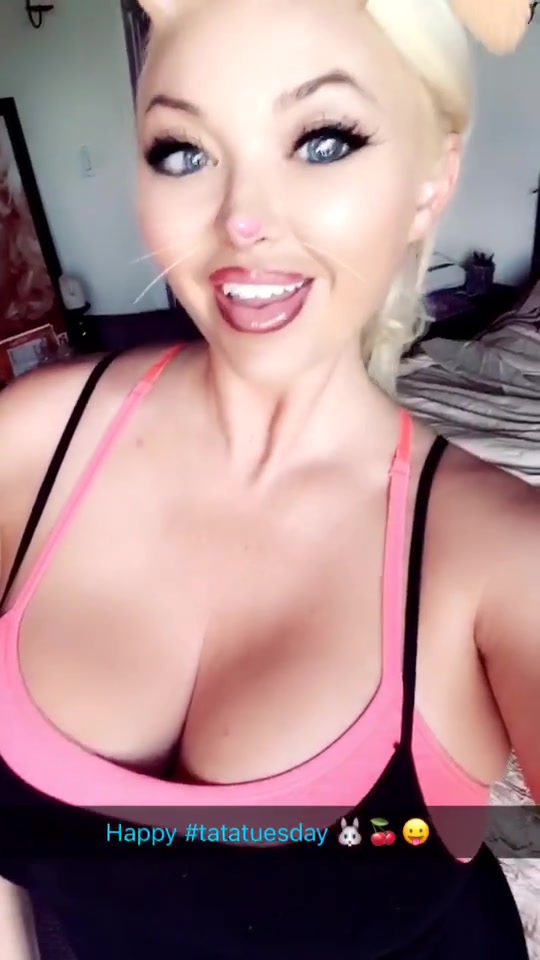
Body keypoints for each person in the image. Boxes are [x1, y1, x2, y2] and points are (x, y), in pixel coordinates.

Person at [0, 0, 538, 957]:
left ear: (432, 180)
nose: (242, 220)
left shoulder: (501, 557)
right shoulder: (25, 448)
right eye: (183, 151)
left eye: (324, 141)